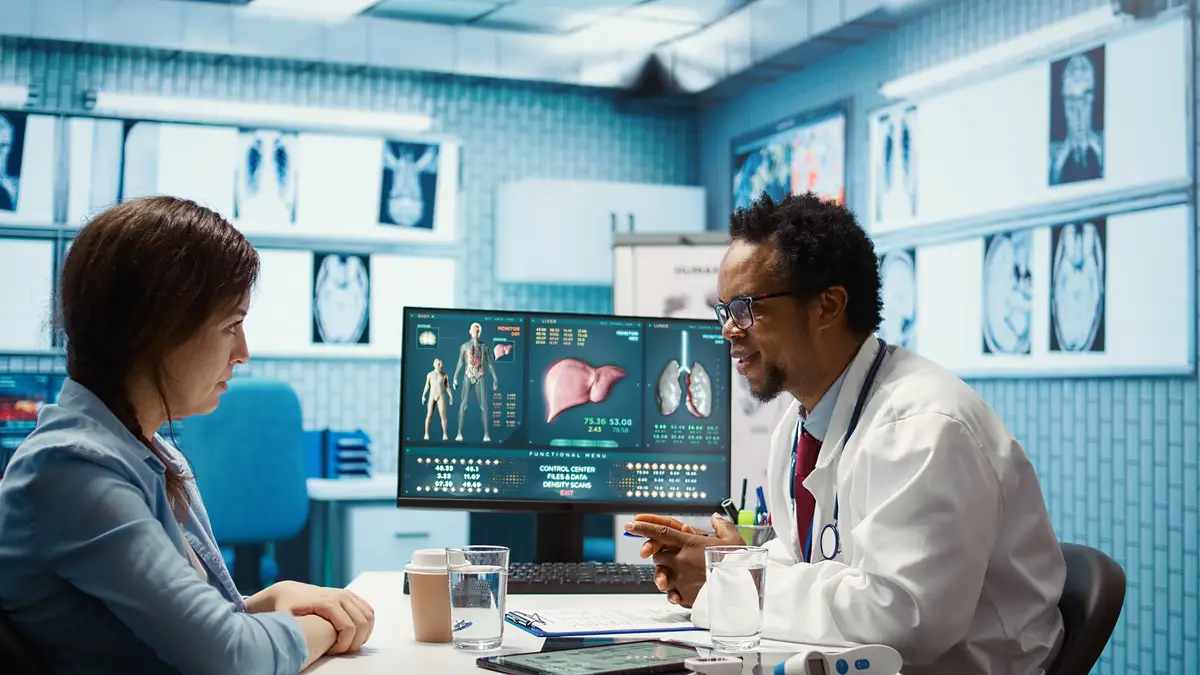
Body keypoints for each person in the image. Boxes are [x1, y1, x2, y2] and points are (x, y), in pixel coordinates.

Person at [626, 192, 1067, 675]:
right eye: (725, 310)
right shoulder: (800, 423)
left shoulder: (924, 428)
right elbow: (812, 557)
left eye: (747, 307)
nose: (730, 329)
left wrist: (736, 585)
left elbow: (901, 619)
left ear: (827, 306)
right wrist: (733, 562)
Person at [0, 196, 374, 674]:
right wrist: (327, 628)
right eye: (230, 326)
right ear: (157, 331)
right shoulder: (73, 471)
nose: (243, 352)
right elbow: (228, 657)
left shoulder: (146, 453)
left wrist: (262, 602)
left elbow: (173, 630)